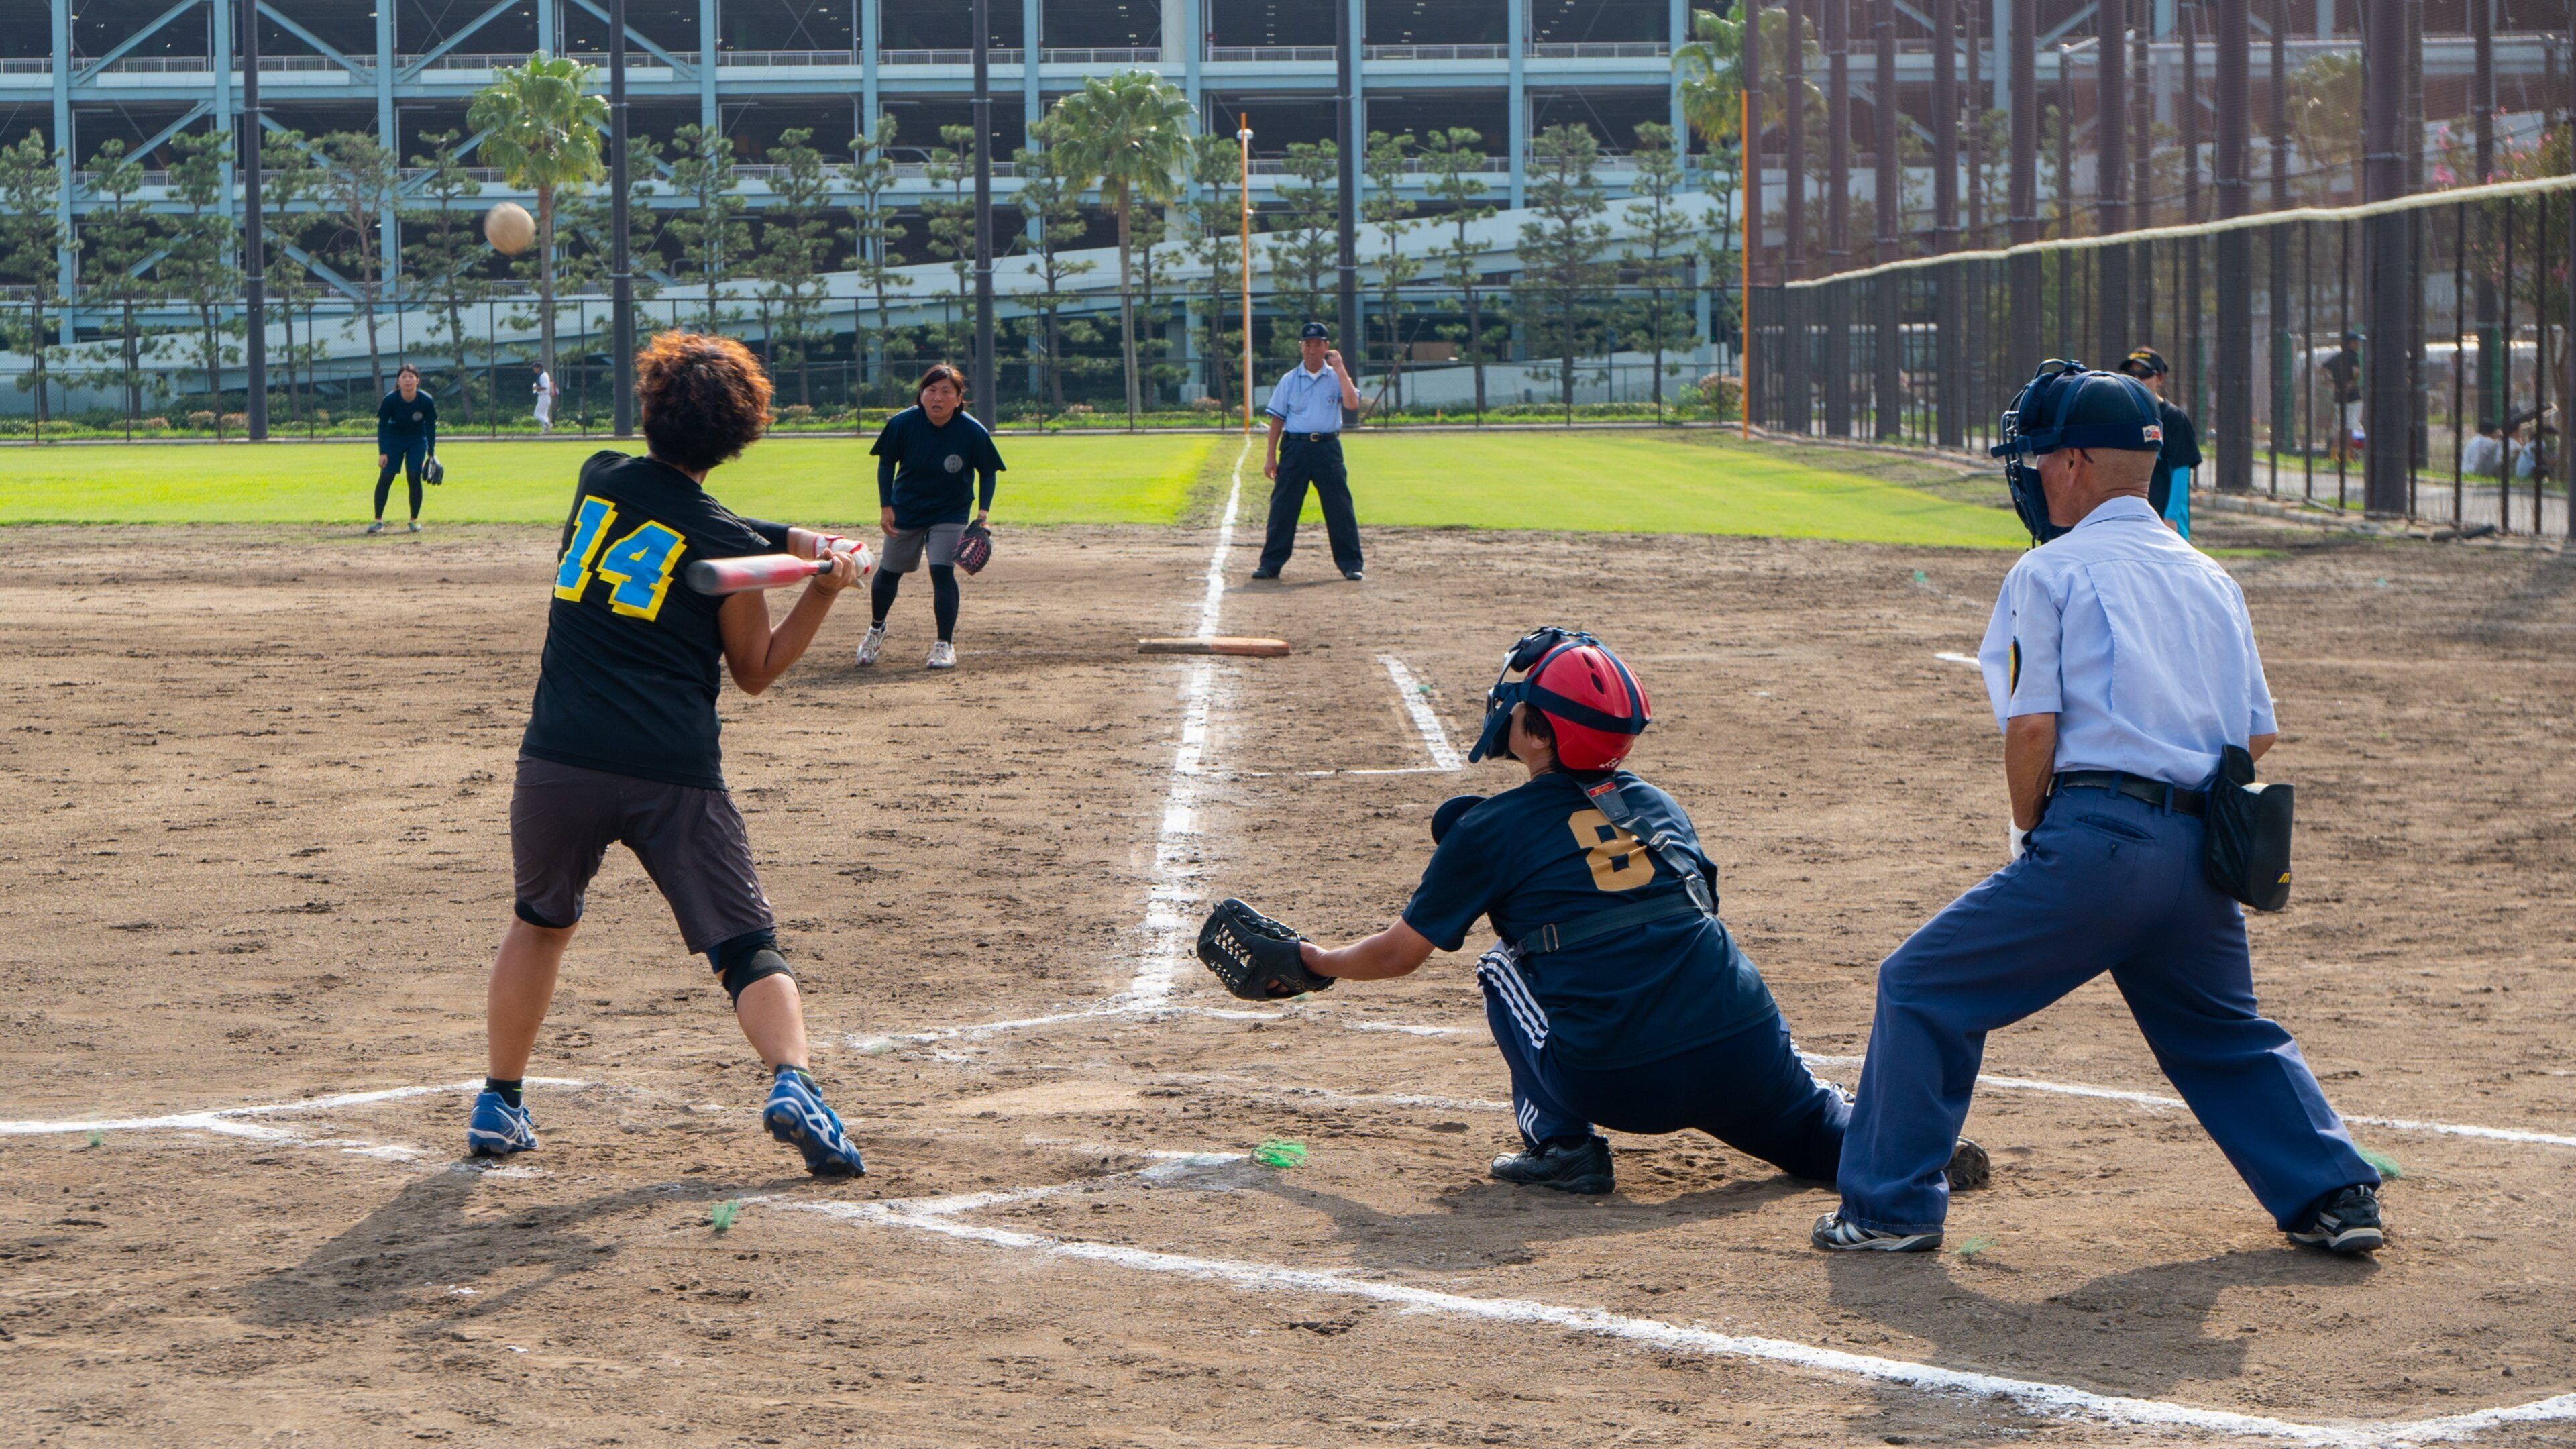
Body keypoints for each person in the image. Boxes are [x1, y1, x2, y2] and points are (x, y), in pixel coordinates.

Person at [1813, 361, 2384, 1256]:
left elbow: (2032, 727)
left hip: (2099, 842)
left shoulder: (2050, 571)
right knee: (2221, 1030)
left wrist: (2031, 829)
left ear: (2076, 462)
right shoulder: (2209, 575)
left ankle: (1887, 1209)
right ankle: (2336, 1194)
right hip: (2202, 854)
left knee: (1921, 987)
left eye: (2043, 457)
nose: (2035, 473)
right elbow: (2257, 732)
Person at [1286, 628, 1988, 1198]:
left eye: (1520, 703)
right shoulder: (1659, 804)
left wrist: (1315, 960)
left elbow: (1398, 955)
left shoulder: (1488, 828)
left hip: (1618, 1080)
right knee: (1808, 1128)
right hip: (1741, 1044)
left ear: (1540, 735)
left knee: (1501, 964)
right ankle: (1901, 1149)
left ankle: (1563, 1147)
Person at [470, 331, 871, 1176]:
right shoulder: (725, 543)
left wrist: (799, 544)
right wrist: (825, 591)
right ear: (739, 436)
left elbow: (690, 523)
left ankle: (499, 1102)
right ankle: (794, 1081)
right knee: (745, 945)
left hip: (559, 759)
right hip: (672, 770)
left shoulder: (598, 477)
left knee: (540, 923)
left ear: (651, 409)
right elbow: (755, 671)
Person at [857, 362, 1002, 671]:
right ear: (921, 395)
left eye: (946, 391)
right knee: (889, 573)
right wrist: (886, 506)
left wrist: (983, 516)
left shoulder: (972, 431)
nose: (938, 397)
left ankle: (944, 645)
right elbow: (886, 464)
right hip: (907, 508)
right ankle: (876, 629)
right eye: (931, 390)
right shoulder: (902, 424)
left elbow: (988, 472)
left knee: (942, 573)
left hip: (951, 510)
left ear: (958, 399)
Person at [1254, 321, 1366, 582]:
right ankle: (1271, 564)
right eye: (1308, 344)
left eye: (1318, 344)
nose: (1312, 350)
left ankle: (1351, 564)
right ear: (1301, 347)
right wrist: (1270, 457)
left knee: (1339, 507)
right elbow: (1277, 420)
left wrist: (1340, 369)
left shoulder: (1337, 377)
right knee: (1283, 507)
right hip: (1295, 448)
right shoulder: (1289, 380)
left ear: (1327, 347)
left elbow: (1352, 404)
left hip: (1328, 448)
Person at [2116, 347, 2202, 538]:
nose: (2137, 379)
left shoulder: (2173, 417)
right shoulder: (2122, 416)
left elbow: (2181, 471)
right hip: (2130, 522)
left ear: (2160, 378)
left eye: (2145, 374)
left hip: (2164, 521)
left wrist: (2171, 517)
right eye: (2130, 374)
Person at [371, 363, 437, 535]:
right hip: (394, 439)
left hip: (417, 439)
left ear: (417, 380)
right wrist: (382, 452)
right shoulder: (391, 400)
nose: (407, 380)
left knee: (414, 476)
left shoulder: (426, 400)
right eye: (404, 377)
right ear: (398, 381)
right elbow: (382, 426)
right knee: (386, 477)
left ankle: (413, 520)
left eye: (411, 377)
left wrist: (431, 453)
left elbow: (430, 426)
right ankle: (378, 521)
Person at [2322, 332, 2363, 465]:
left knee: (2339, 427)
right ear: (2350, 344)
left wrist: (2330, 381)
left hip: (2339, 397)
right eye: (2356, 342)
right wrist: (2352, 383)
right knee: (2350, 427)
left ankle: (2333, 454)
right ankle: (2348, 455)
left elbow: (2323, 367)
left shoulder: (2337, 357)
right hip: (2353, 397)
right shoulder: (2353, 356)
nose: (2358, 345)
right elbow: (2356, 372)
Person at [533, 361, 559, 434]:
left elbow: (545, 387)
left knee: (537, 414)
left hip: (543, 396)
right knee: (544, 415)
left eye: (535, 368)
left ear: (539, 368)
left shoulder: (543, 376)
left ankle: (548, 423)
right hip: (545, 397)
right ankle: (546, 430)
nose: (534, 369)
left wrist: (536, 388)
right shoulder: (544, 374)